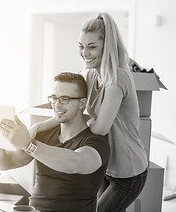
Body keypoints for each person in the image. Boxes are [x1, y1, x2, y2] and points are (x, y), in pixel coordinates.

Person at [32, 13, 148, 212]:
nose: (84, 52)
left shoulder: (118, 78)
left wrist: (82, 118)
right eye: (81, 46)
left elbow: (100, 127)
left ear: (107, 45)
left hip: (128, 172)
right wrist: (37, 128)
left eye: (92, 46)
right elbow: (67, 106)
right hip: (105, 165)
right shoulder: (89, 73)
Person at [0, 72, 110, 212]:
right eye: (54, 98)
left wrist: (28, 144)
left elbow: (75, 163)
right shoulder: (44, 134)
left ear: (82, 103)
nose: (57, 105)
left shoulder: (96, 141)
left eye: (64, 99)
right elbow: (8, 163)